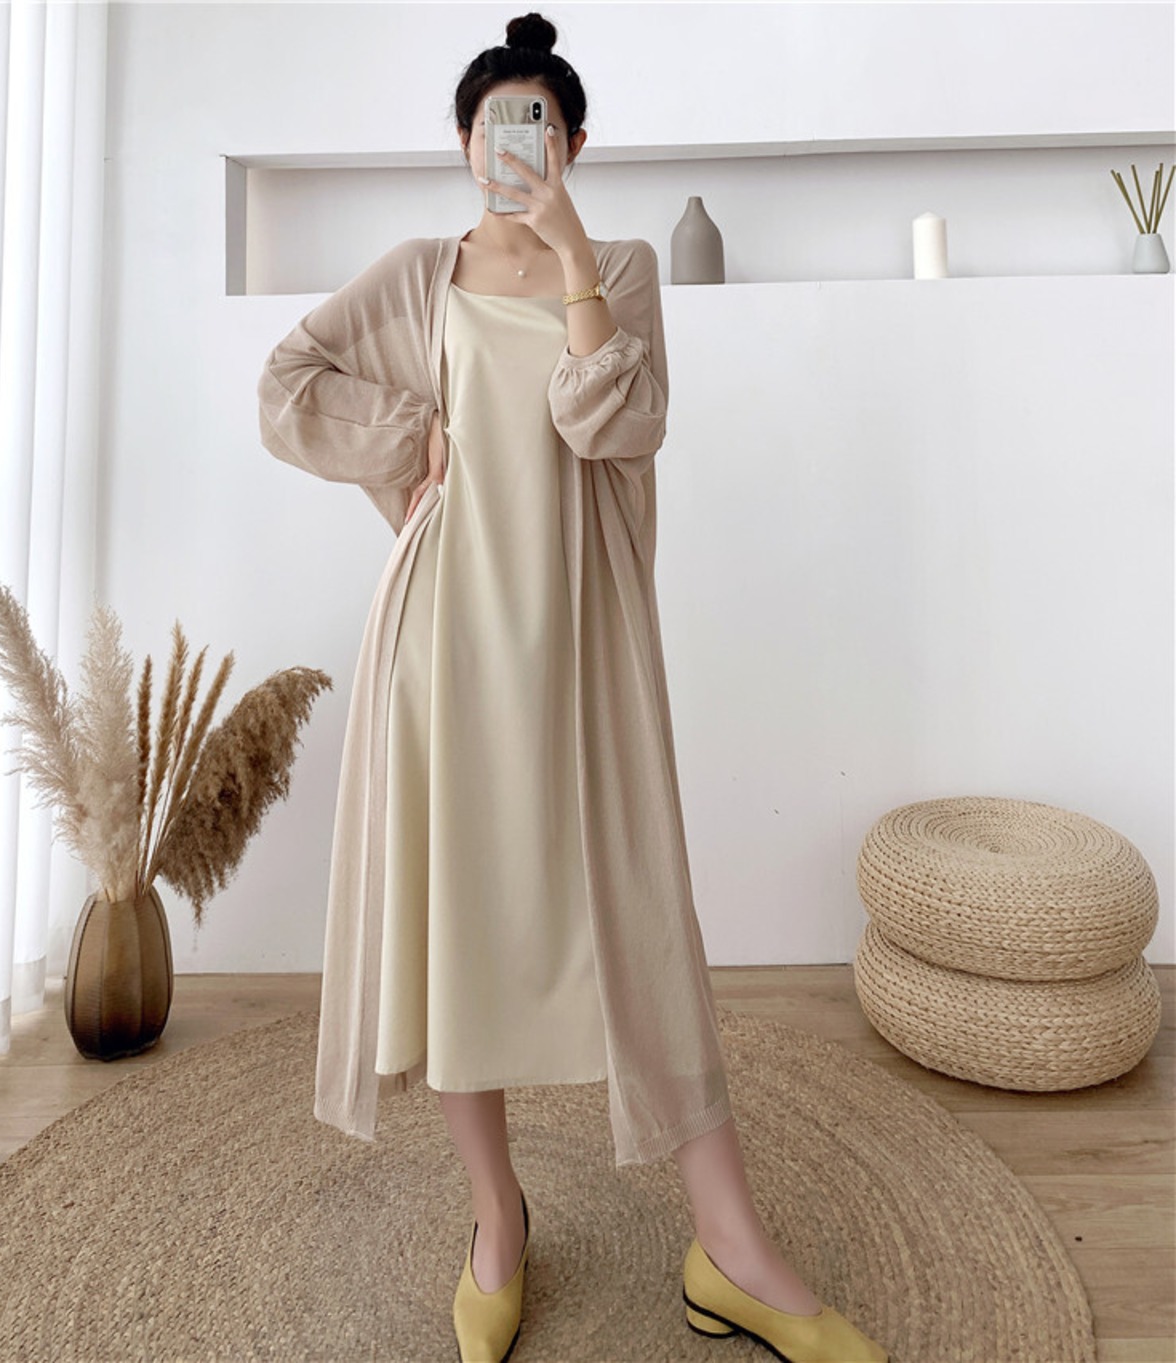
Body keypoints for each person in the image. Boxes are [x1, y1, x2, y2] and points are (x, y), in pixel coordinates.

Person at [257, 13, 889, 1363]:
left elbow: (619, 422)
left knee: (641, 916)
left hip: (586, 633)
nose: (515, 148)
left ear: (576, 143)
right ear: (461, 142)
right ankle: (498, 1222)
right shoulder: (418, 275)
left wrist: (570, 257)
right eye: (495, 126)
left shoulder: (622, 266)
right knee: (457, 924)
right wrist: (408, 435)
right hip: (442, 634)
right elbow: (287, 383)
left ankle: (733, 1249)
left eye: (539, 127)